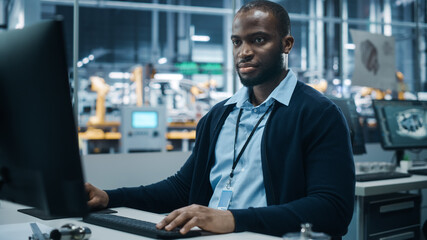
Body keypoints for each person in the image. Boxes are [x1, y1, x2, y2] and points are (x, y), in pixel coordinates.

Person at [86, 0, 355, 238]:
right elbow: (183, 188)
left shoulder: (318, 114)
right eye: (237, 41)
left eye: (258, 40)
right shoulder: (219, 115)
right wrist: (111, 197)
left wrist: (232, 220)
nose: (244, 52)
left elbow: (332, 209)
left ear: (287, 44)